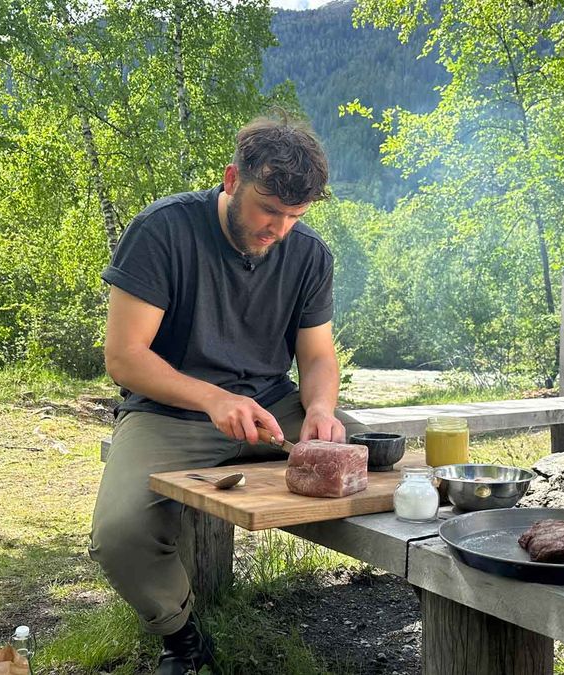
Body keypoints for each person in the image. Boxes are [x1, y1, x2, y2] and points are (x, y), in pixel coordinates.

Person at [89, 115, 370, 675]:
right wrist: (213, 399)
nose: (280, 229)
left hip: (273, 409)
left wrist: (317, 408)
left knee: (388, 466)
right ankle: (183, 637)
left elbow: (316, 356)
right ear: (231, 180)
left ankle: (436, 598)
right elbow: (124, 357)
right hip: (171, 412)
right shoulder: (162, 231)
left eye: (295, 216)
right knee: (119, 535)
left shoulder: (310, 254)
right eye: (269, 210)